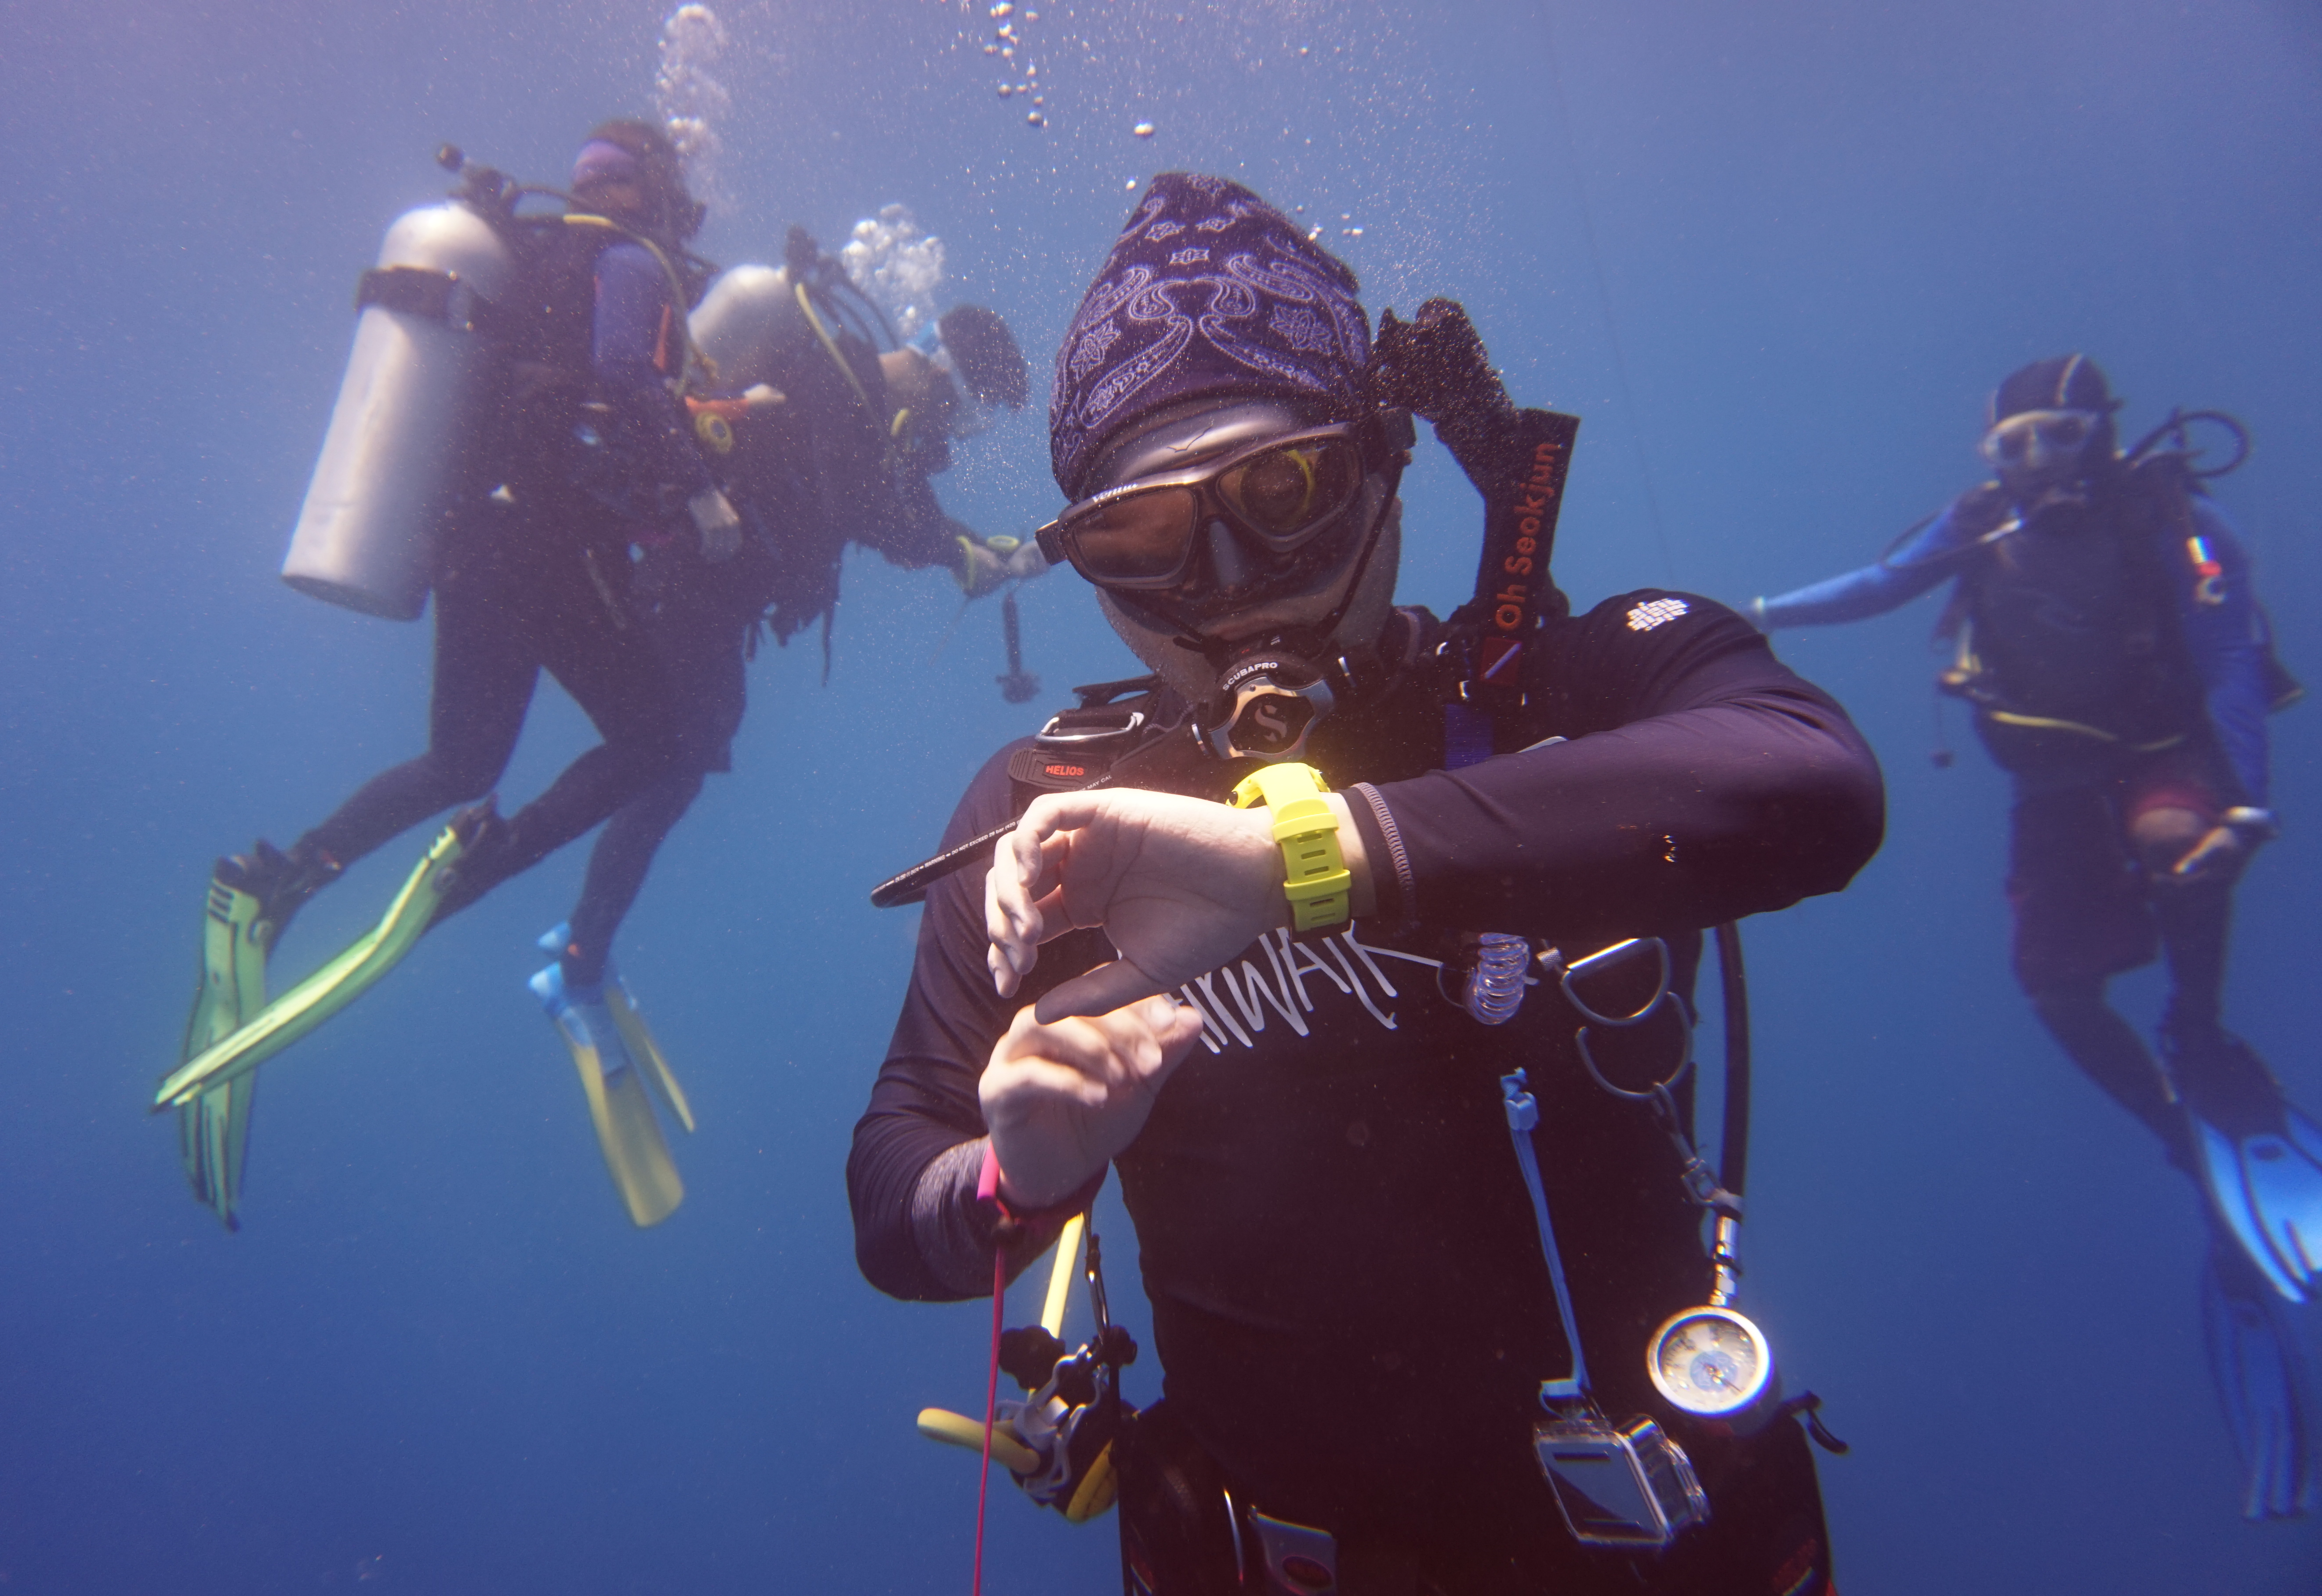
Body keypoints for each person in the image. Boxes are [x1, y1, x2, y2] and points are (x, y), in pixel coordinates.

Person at [847, 173, 1883, 1593]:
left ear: (1386, 465)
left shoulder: (1557, 700)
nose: (1228, 587)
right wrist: (1015, 1182)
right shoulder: (1047, 819)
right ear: (1084, 561)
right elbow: (892, 1190)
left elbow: (1811, 780)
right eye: (1146, 538)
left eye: (1284, 492)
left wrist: (1309, 861)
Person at [1745, 355, 2315, 1517]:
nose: (2040, 467)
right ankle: (2177, 1133)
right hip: (2052, 782)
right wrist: (1751, 619)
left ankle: (2197, 1032)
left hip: (2164, 758)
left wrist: (2247, 801)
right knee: (2053, 988)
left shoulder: (2172, 521)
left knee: (2177, 850)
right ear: (1991, 459)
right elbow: (1880, 584)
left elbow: (2230, 659)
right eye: (2016, 449)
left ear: (2100, 434)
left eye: (2059, 439)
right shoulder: (1978, 524)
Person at [166, 121, 721, 1228]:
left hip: (470, 542)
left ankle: (278, 876)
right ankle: (486, 864)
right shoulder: (625, 261)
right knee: (661, 736)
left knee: (457, 754)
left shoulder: (528, 262)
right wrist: (700, 486)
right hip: (544, 551)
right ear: (658, 196)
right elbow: (618, 372)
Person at [520, 228, 1036, 1227]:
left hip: (694, 595)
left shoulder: (849, 394)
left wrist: (983, 553)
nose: (948, 437)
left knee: (681, 754)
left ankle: (581, 947)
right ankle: (573, 955)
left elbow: (900, 520)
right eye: (964, 418)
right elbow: (895, 516)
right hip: (678, 584)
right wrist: (967, 552)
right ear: (947, 383)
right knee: (671, 754)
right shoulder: (838, 388)